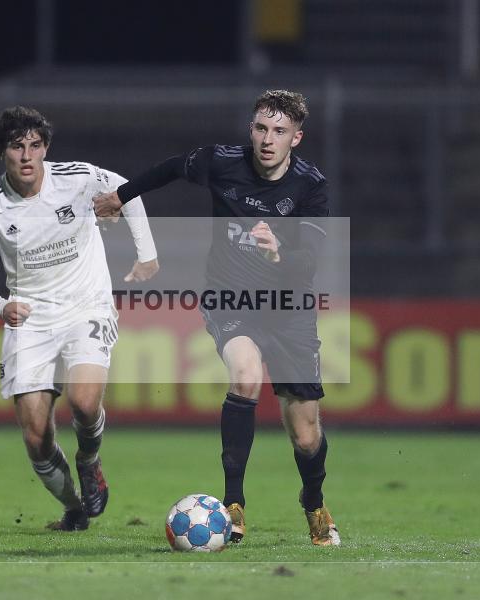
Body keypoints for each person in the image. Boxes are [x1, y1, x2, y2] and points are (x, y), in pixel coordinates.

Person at [94, 90, 340, 546]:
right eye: (261, 128)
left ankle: (314, 503)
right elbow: (171, 168)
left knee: (306, 435)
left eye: (279, 131)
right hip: (231, 299)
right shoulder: (222, 162)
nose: (268, 139)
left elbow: (310, 261)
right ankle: (233, 503)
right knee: (245, 375)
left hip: (289, 312)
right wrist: (120, 197)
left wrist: (279, 252)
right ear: (251, 129)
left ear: (296, 138)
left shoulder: (310, 185)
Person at [0, 106, 159, 531]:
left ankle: (89, 459)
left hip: (85, 305)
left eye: (35, 145)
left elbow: (127, 191)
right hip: (30, 319)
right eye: (17, 147)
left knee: (85, 403)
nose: (27, 156)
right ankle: (75, 509)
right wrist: (1, 305)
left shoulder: (77, 178)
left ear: (45, 147)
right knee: (36, 437)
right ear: (2, 152)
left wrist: (146, 254)